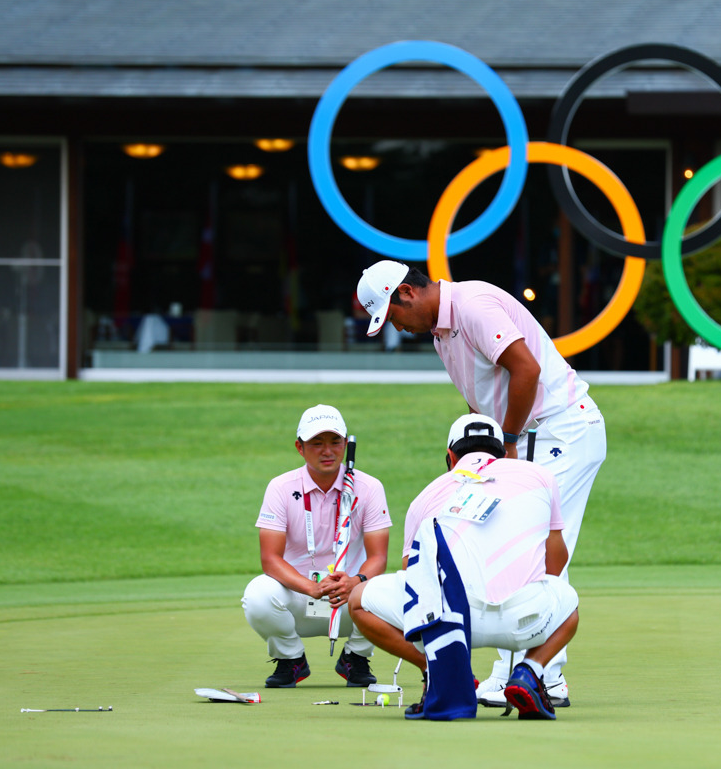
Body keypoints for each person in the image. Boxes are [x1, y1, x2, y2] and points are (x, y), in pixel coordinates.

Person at [356, 259, 605, 707]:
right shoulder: (440, 332)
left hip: (559, 429)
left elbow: (525, 369)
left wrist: (506, 445)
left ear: (407, 293)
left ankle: (539, 677)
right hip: (531, 434)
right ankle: (531, 673)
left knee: (543, 547)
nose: (397, 325)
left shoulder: (473, 305)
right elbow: (482, 397)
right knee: (518, 543)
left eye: (392, 314)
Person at [348, 413, 579, 720]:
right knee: (568, 601)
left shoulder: (424, 497)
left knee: (359, 601)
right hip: (526, 622)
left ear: (450, 456)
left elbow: (414, 576)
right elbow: (556, 563)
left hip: (451, 625)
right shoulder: (540, 476)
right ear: (505, 451)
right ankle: (530, 672)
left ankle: (438, 668)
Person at [242, 404, 392, 688]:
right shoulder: (281, 487)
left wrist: (354, 581)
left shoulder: (370, 487)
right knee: (258, 595)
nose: (327, 451)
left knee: (389, 589)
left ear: (346, 444)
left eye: (336, 442)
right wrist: (310, 587)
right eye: (317, 443)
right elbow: (270, 559)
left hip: (349, 598)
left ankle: (355, 657)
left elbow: (378, 557)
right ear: (300, 448)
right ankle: (291, 660)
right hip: (297, 596)